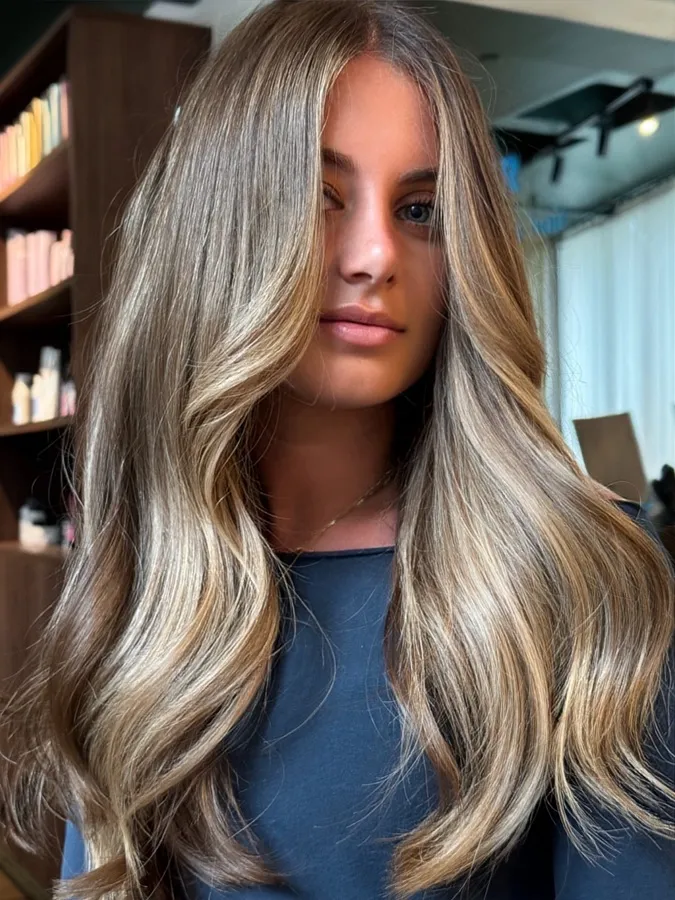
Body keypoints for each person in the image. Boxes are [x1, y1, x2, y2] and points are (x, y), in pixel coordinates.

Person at [1, 2, 673, 899]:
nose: (373, 255)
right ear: (214, 227)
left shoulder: (587, 589)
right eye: (319, 196)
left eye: (422, 208)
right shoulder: (141, 581)